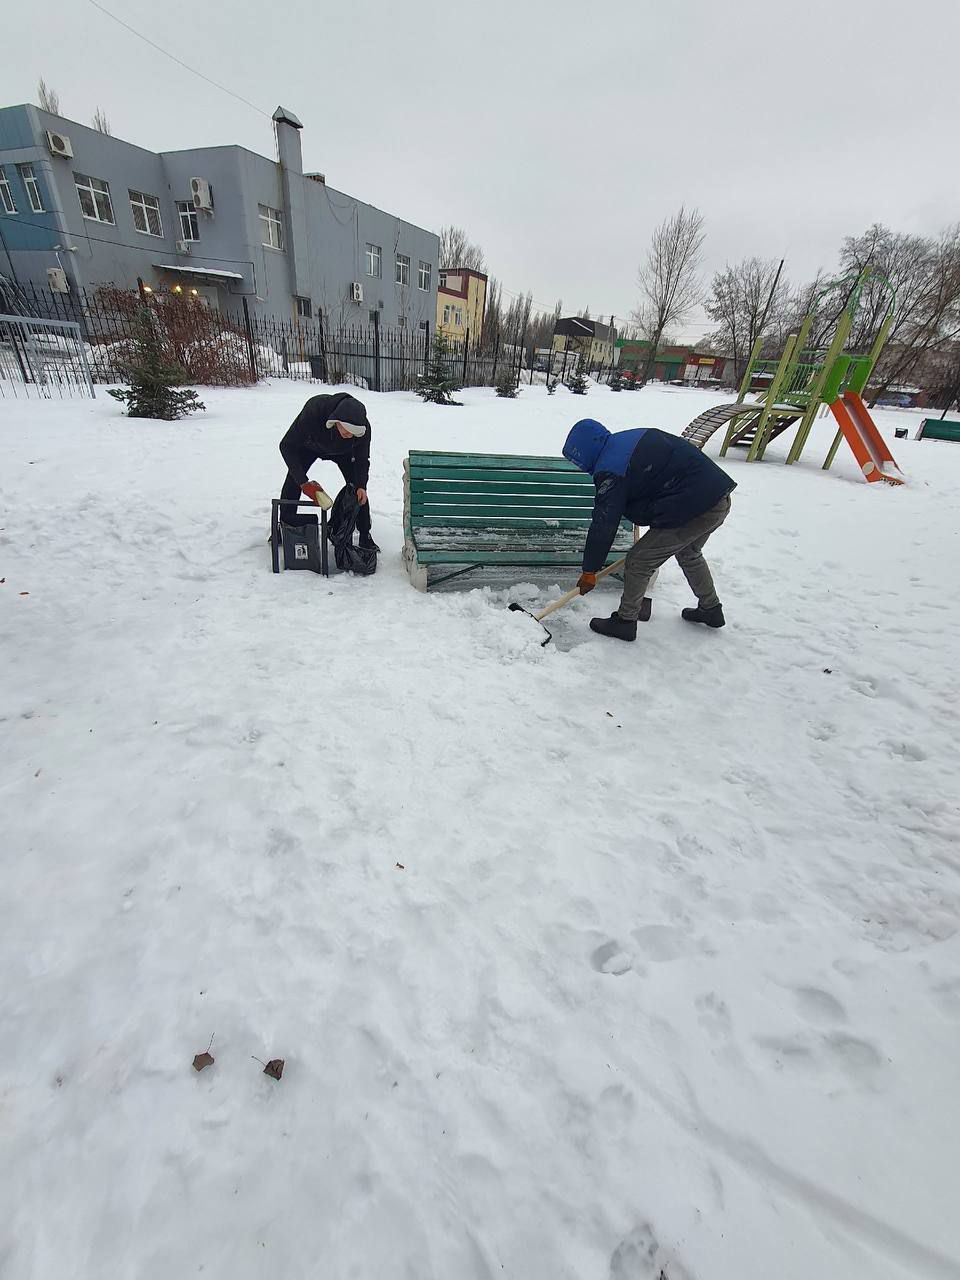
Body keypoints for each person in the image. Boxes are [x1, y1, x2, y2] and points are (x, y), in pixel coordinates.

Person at [562, 419, 736, 642]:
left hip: (695, 507)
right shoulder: (623, 442)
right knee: (689, 553)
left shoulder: (611, 468)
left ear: (585, 451)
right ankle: (711, 609)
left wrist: (589, 570)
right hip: (717, 499)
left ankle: (625, 621)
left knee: (639, 561)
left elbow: (604, 523)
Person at [277, 392, 378, 550]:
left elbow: (362, 459)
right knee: (293, 481)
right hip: (311, 446)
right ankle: (284, 526)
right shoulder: (314, 411)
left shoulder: (364, 429)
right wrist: (303, 482)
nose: (349, 435)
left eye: (353, 433)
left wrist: (361, 485)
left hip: (344, 453)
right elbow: (286, 445)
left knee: (357, 490)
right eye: (346, 431)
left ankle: (365, 534)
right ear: (336, 420)